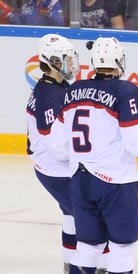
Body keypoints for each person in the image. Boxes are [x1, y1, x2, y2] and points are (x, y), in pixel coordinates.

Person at [50, 36, 138, 274]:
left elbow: (57, 142)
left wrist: (87, 157)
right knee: (122, 247)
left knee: (87, 245)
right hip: (115, 184)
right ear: (118, 60)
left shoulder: (74, 90)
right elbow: (137, 143)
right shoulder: (125, 90)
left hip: (80, 180)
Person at [26, 33, 79, 274]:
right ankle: (88, 266)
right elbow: (53, 144)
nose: (71, 64)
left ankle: (71, 264)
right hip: (55, 168)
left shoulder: (54, 86)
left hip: (48, 167)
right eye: (65, 59)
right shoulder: (51, 95)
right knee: (89, 217)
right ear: (52, 63)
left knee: (71, 214)